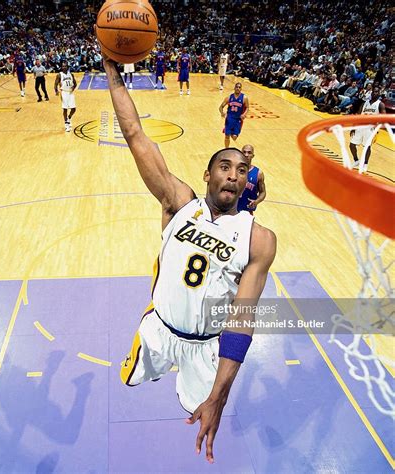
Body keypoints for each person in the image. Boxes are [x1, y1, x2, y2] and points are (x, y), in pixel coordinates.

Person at [102, 55, 276, 464]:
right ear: (207, 174)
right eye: (224, 165)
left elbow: (242, 318)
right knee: (131, 378)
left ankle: (199, 390)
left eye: (242, 169)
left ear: (247, 182)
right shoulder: (178, 203)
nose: (232, 173)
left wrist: (219, 395)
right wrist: (112, 75)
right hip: (159, 329)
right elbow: (134, 133)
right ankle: (159, 365)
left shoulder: (259, 240)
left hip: (207, 348)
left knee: (197, 408)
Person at [349, 86, 386, 172]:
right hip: (360, 126)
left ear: (379, 93)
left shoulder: (380, 104)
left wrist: (377, 129)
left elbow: (384, 118)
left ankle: (365, 163)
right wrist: (353, 127)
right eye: (373, 92)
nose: (374, 93)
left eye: (376, 92)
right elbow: (358, 115)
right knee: (352, 145)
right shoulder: (365, 103)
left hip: (370, 129)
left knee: (367, 147)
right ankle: (356, 160)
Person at [237, 145, 266, 214]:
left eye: (249, 152)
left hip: (247, 211)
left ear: (253, 155)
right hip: (230, 209)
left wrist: (257, 201)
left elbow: (263, 192)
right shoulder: (233, 169)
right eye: (244, 152)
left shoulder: (258, 173)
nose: (246, 155)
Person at [219, 82, 249, 148]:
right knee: (227, 136)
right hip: (229, 119)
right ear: (234, 88)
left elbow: (247, 107)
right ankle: (226, 149)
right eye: (236, 87)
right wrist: (222, 113)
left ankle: (231, 131)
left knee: (234, 137)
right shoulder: (229, 97)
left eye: (239, 87)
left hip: (238, 119)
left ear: (241, 89)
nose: (238, 88)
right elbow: (221, 107)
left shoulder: (244, 98)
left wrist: (244, 114)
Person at [54, 61, 77, 132]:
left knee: (73, 109)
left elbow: (75, 83)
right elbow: (55, 84)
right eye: (63, 66)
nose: (64, 67)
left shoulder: (71, 75)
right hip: (64, 93)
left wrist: (73, 87)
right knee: (65, 109)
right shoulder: (59, 75)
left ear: (67, 67)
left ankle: (69, 118)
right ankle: (66, 124)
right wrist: (56, 91)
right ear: (61, 67)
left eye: (65, 66)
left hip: (70, 93)